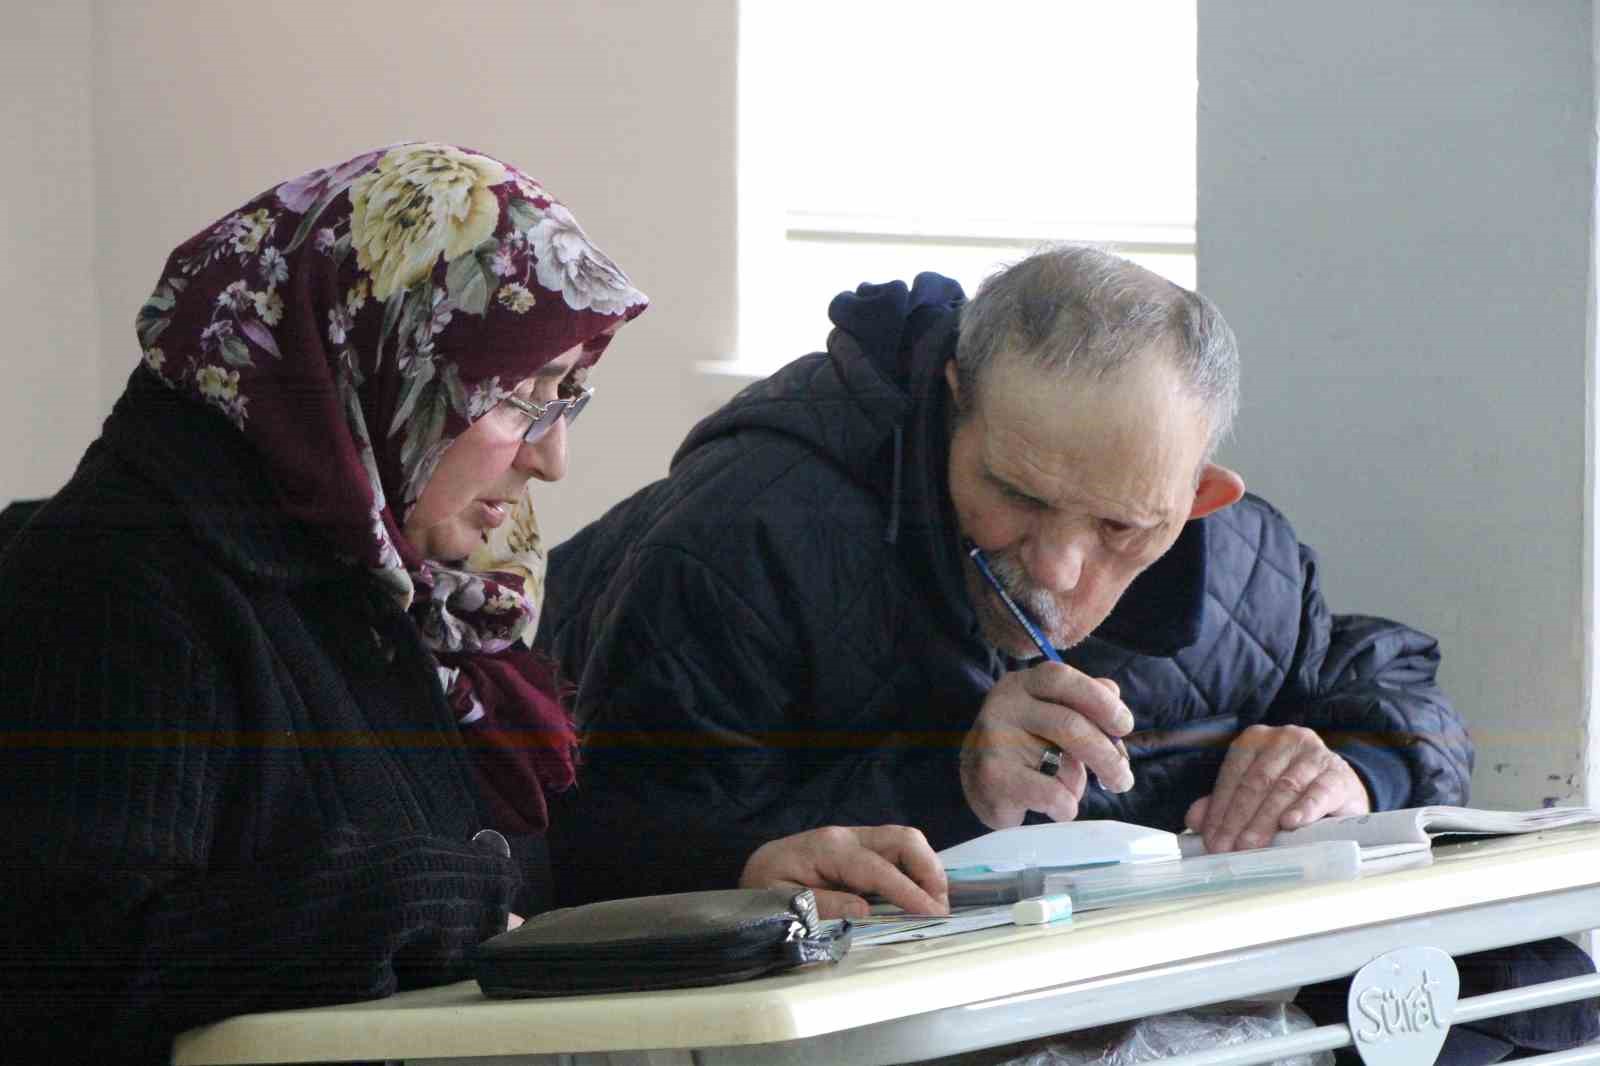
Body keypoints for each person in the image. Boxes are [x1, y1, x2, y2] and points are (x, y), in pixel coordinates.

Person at [0, 142, 944, 1065]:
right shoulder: (116, 583)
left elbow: (524, 870)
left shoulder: (410, 587)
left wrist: (738, 871)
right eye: (521, 394)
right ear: (378, 359)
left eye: (566, 395)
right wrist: (413, 896)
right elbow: (62, 968)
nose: (550, 456)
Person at [537, 247, 1475, 905]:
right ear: (953, 404)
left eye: (1120, 526)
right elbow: (598, 857)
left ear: (1198, 497)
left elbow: (1389, 678)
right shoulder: (744, 540)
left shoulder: (1236, 558)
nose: (1060, 570)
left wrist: (1359, 772)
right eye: (1015, 494)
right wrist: (948, 787)